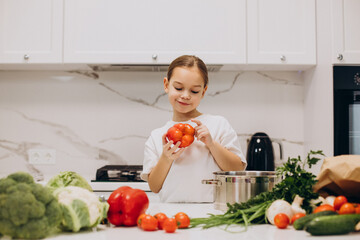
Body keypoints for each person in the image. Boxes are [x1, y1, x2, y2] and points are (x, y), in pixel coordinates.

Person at [140, 55, 247, 202]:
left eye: (194, 91)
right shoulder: (157, 136)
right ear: (166, 85)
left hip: (213, 213)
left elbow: (238, 169)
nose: (185, 95)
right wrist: (166, 158)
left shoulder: (218, 124)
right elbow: (154, 187)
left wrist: (212, 144)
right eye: (178, 88)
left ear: (203, 92)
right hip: (172, 216)